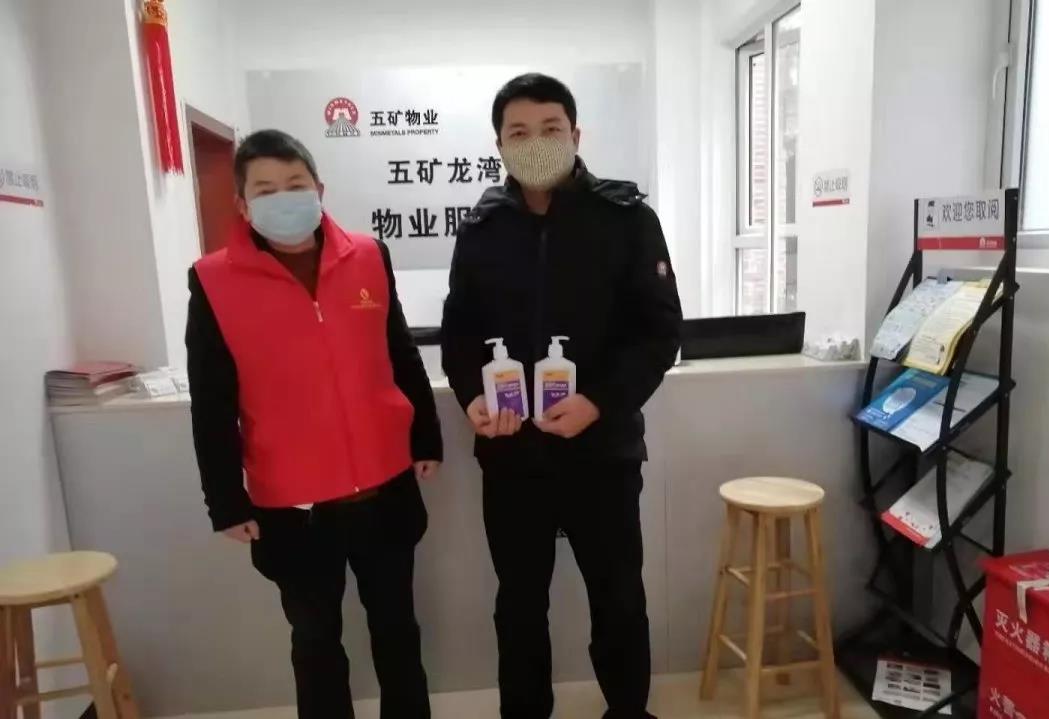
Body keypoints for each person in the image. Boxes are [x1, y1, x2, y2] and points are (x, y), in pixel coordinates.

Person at [441, 74, 682, 719]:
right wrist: (471, 398)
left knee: (619, 599)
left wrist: (598, 402)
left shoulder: (626, 220)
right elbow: (459, 333)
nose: (536, 143)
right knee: (519, 604)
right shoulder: (482, 229)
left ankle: (628, 711)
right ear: (499, 145)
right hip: (512, 456)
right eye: (519, 132)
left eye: (551, 129)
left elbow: (660, 334)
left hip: (602, 453)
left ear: (576, 135)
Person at [186, 129, 440, 719]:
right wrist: (225, 497)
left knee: (398, 630)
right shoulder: (214, 280)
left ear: (319, 189)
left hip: (384, 486)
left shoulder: (368, 255)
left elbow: (400, 352)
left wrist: (425, 435)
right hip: (292, 508)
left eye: (295, 184)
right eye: (265, 189)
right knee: (316, 642)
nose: (284, 197)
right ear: (243, 204)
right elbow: (212, 400)